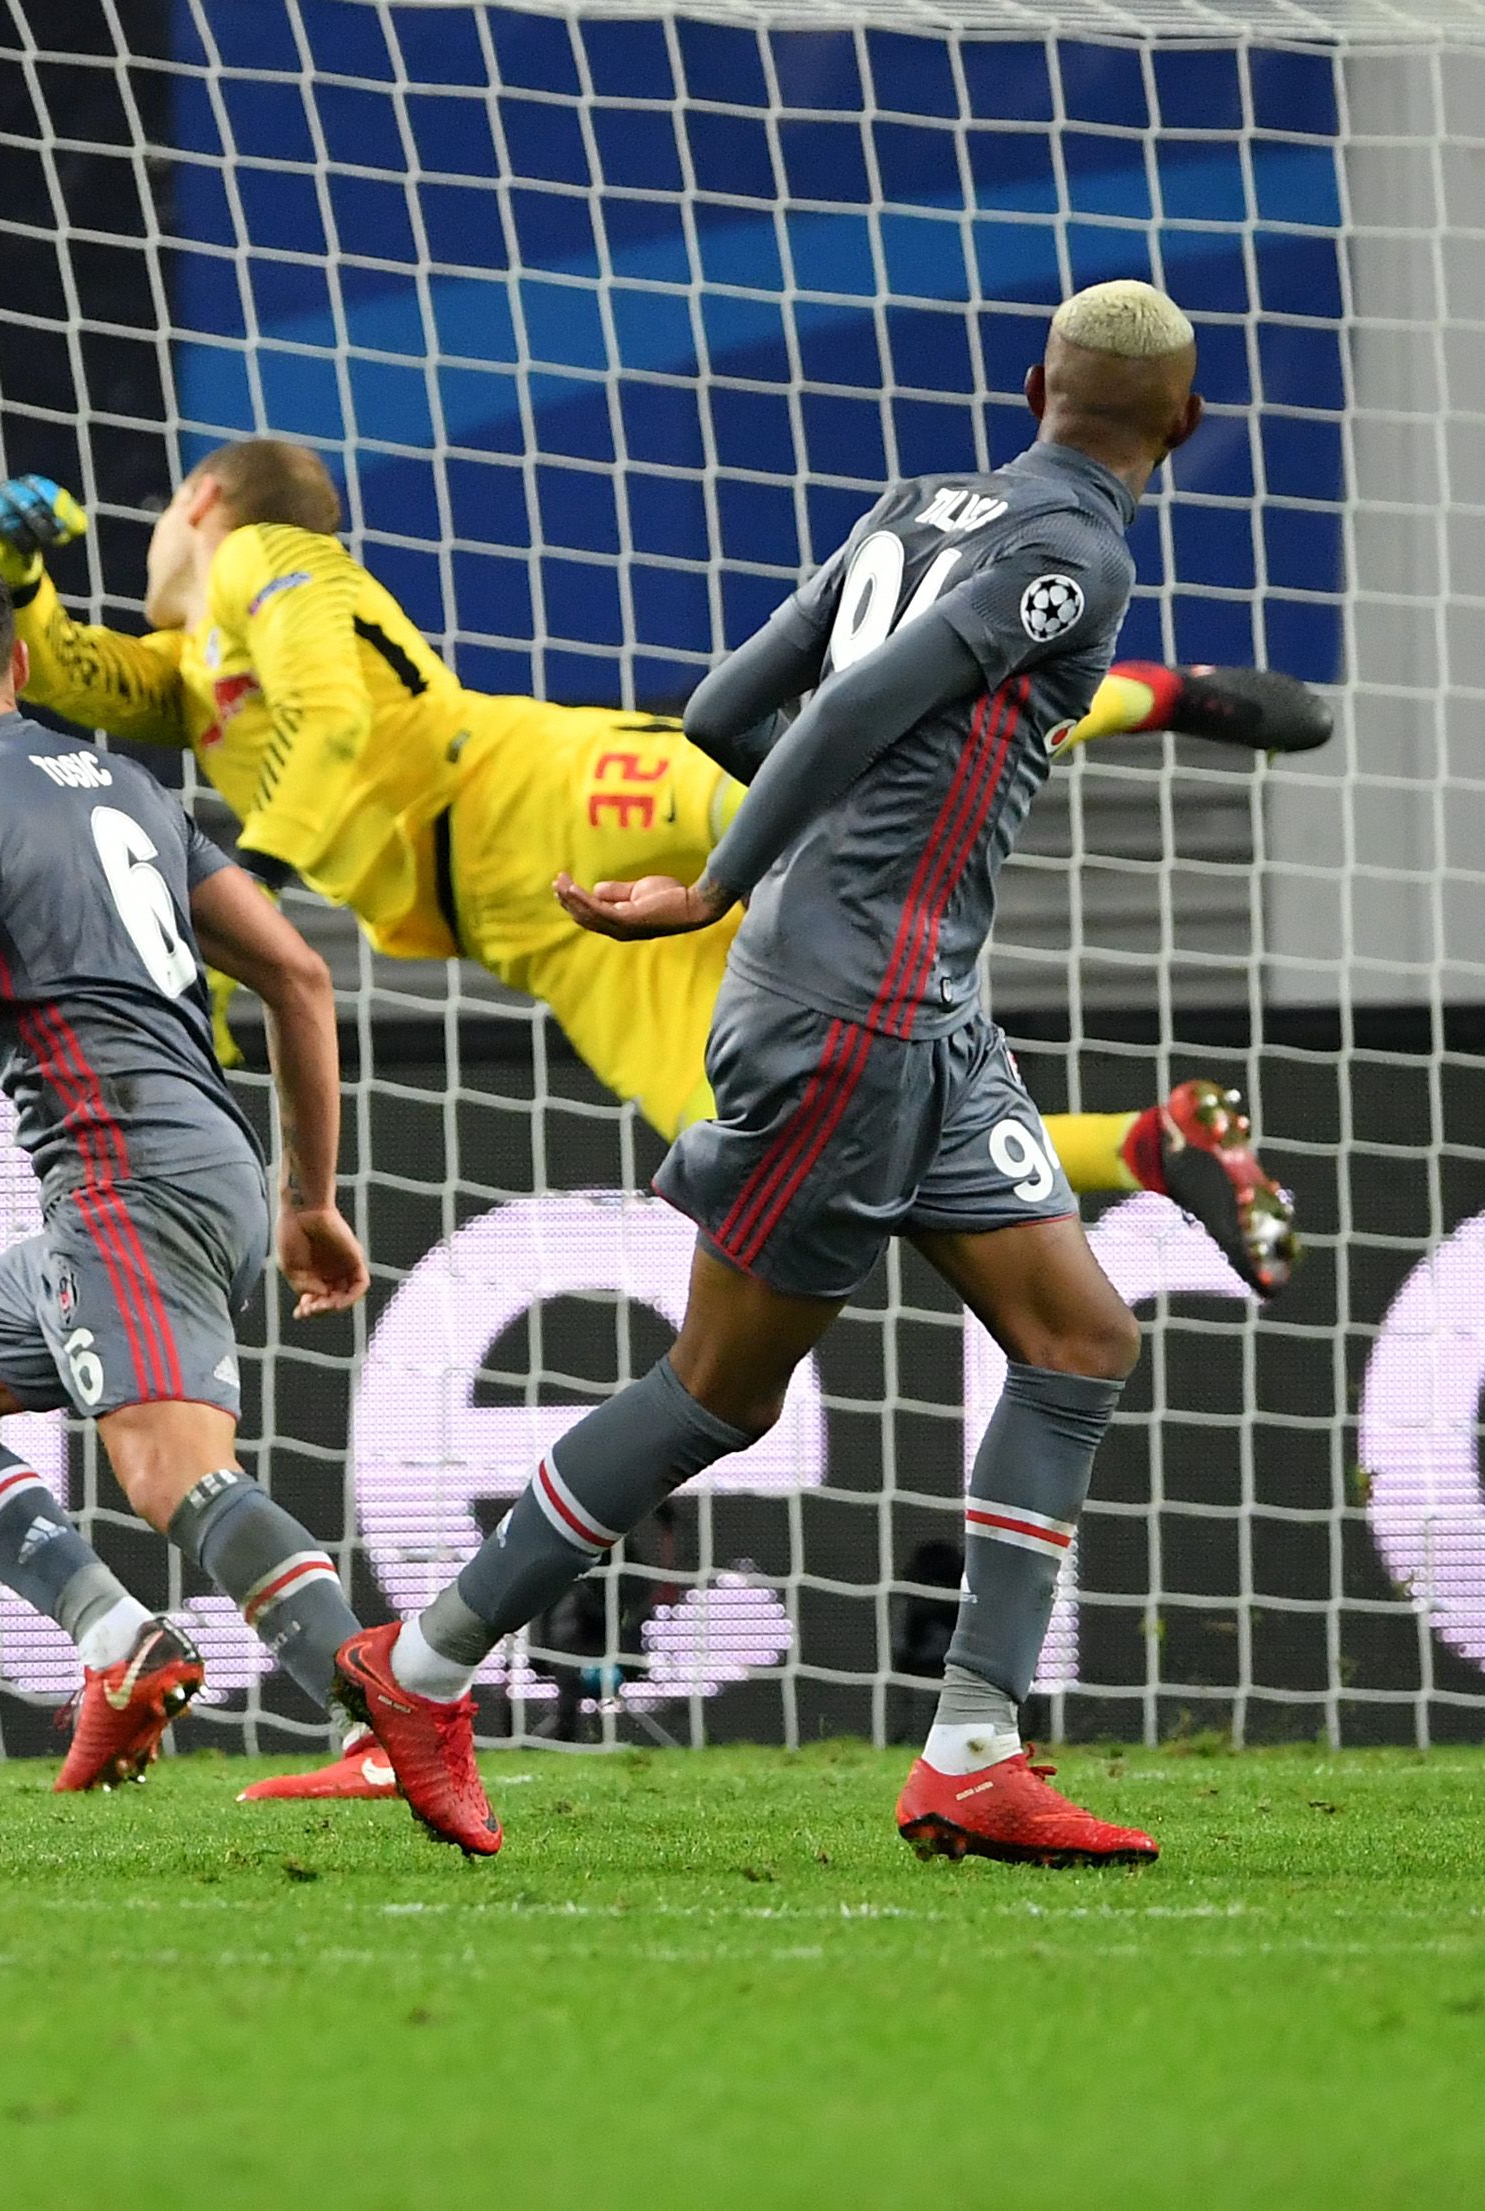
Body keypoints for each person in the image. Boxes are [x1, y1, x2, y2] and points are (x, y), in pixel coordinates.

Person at [333, 279, 1220, 1867]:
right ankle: (419, 1670)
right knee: (718, 1391)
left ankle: (973, 1749)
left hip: (920, 1011)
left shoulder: (912, 506)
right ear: (1189, 422)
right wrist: (739, 881)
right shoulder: (1078, 554)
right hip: (853, 1017)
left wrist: (812, 869)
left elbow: (727, 706)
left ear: (1033, 386)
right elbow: (868, 705)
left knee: (1081, 1336)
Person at [0, 443, 1313, 1300]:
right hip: (532, 920)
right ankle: (1157, 1142)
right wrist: (10, 571)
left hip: (538, 784)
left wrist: (235, 895)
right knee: (750, 1135)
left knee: (871, 775)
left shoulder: (269, 555)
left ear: (201, 502)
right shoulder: (198, 668)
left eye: (161, 519)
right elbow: (77, 674)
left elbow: (335, 726)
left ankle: (1147, 693)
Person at [0, 550, 373, 1789]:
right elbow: (299, 975)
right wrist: (311, 1200)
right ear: (19, 664)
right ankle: (122, 1645)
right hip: (202, 1170)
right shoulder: (125, 782)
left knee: (170, 1471)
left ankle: (380, 1719)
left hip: (127, 1181)